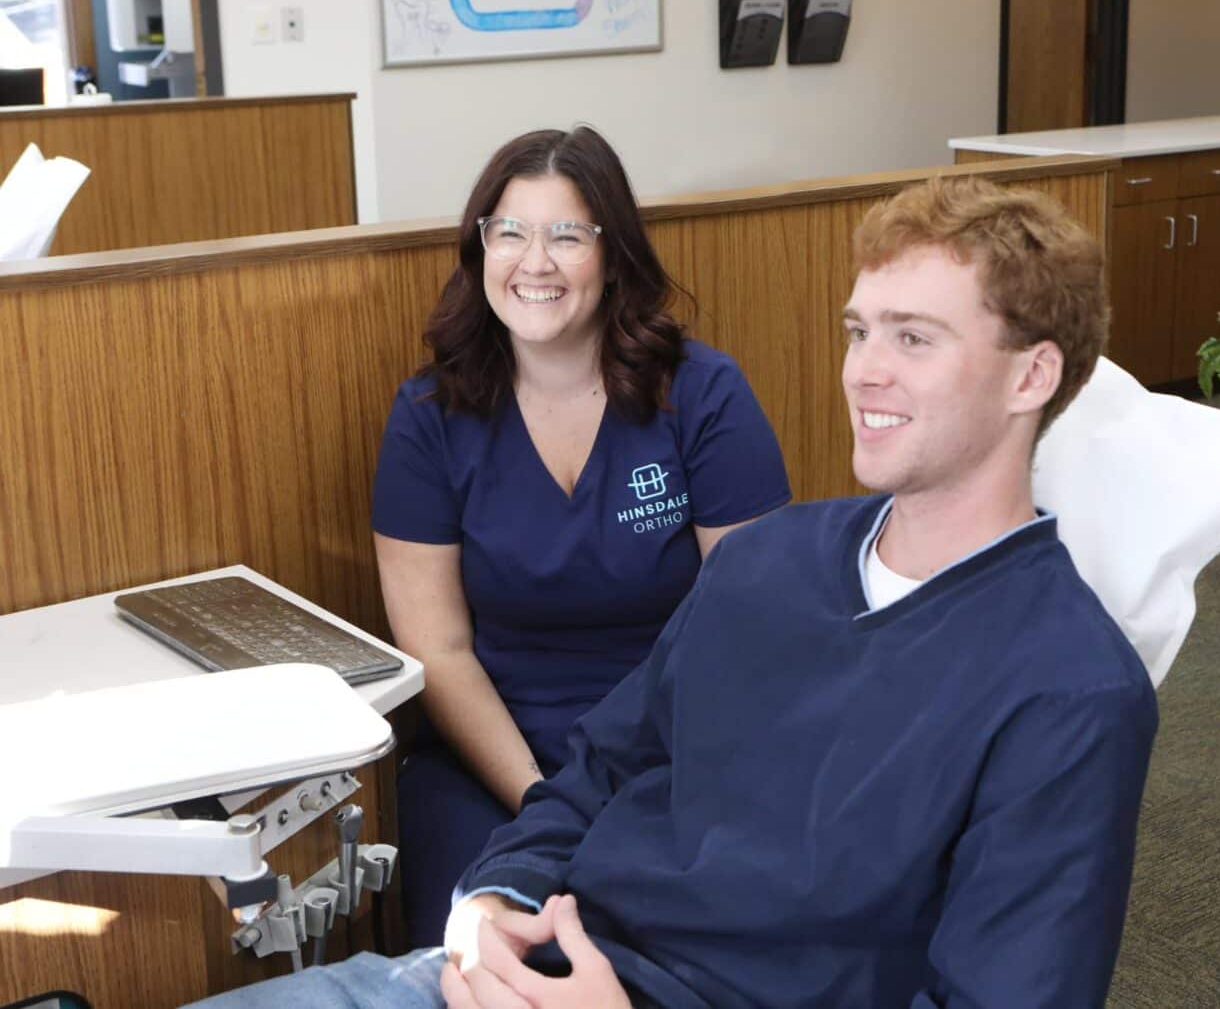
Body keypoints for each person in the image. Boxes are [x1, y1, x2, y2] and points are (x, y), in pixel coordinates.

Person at [193, 175, 1158, 1009]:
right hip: (525, 968)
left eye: (915, 338)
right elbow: (599, 769)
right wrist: (494, 899)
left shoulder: (1068, 691)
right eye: (859, 330)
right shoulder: (769, 560)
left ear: (1031, 375)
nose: (864, 370)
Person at [373, 126, 791, 947]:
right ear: (480, 249)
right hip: (491, 764)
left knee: (674, 946)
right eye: (510, 233)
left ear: (614, 254)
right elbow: (439, 652)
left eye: (567, 235)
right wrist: (546, 805)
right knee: (482, 955)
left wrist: (652, 786)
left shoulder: (703, 393)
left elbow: (753, 624)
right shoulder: (428, 417)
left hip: (676, 750)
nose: (535, 262)